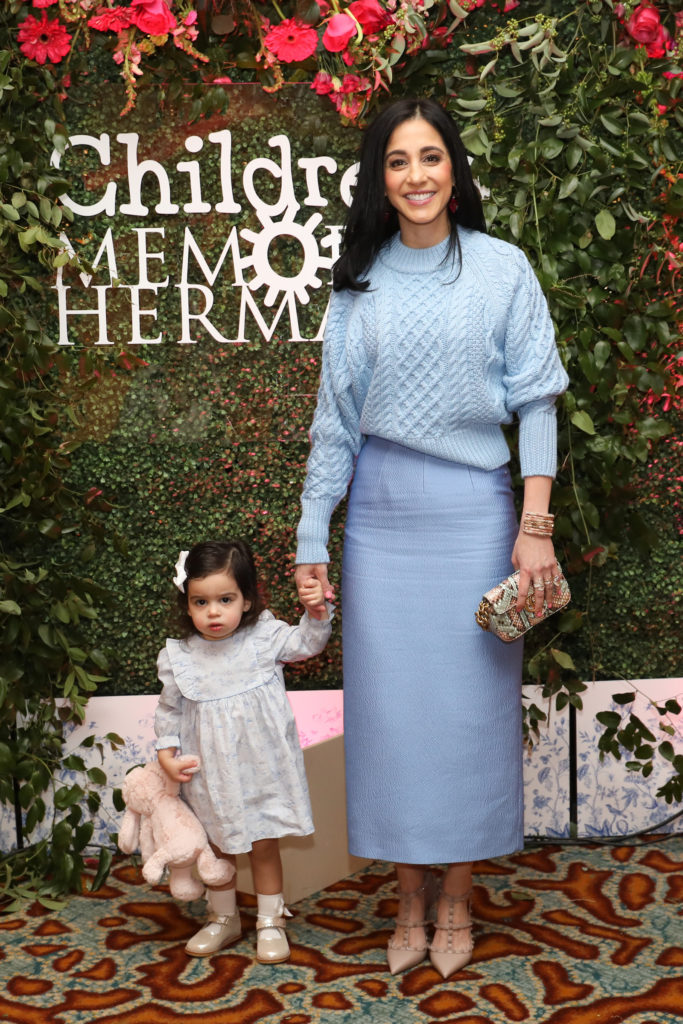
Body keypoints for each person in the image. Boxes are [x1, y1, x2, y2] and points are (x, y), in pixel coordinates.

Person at [294, 97, 569, 979]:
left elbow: (536, 400)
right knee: (392, 718)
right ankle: (406, 891)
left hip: (477, 519)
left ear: (454, 169)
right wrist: (310, 537)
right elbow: (334, 426)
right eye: (396, 162)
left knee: (465, 719)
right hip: (380, 522)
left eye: (430, 157)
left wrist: (533, 527)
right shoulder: (358, 283)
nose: (415, 176)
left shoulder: (502, 270)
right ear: (380, 179)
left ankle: (455, 893)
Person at [155, 539, 331, 962]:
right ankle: (223, 917)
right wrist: (167, 754)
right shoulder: (180, 657)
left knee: (263, 844)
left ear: (247, 599)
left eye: (225, 599)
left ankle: (271, 920)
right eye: (201, 601)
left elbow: (308, 643)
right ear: (187, 604)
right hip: (210, 773)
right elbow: (168, 712)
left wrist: (317, 612)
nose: (213, 612)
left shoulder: (265, 637)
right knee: (216, 847)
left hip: (261, 770)